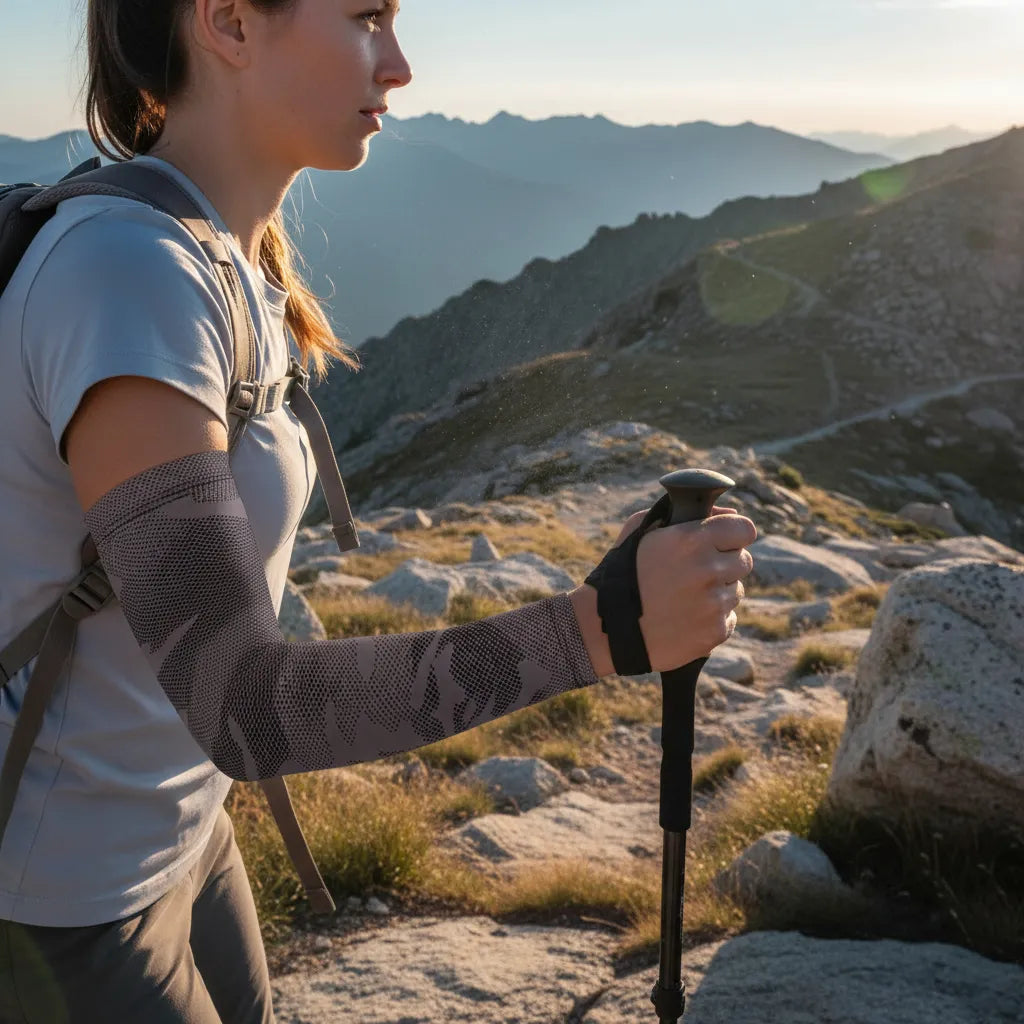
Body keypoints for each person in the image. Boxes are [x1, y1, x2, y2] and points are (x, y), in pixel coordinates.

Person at [0, 0, 756, 1020]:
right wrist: (598, 629)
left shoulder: (229, 251)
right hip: (55, 891)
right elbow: (243, 702)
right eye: (365, 17)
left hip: (179, 826)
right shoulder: (126, 275)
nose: (397, 65)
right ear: (226, 21)